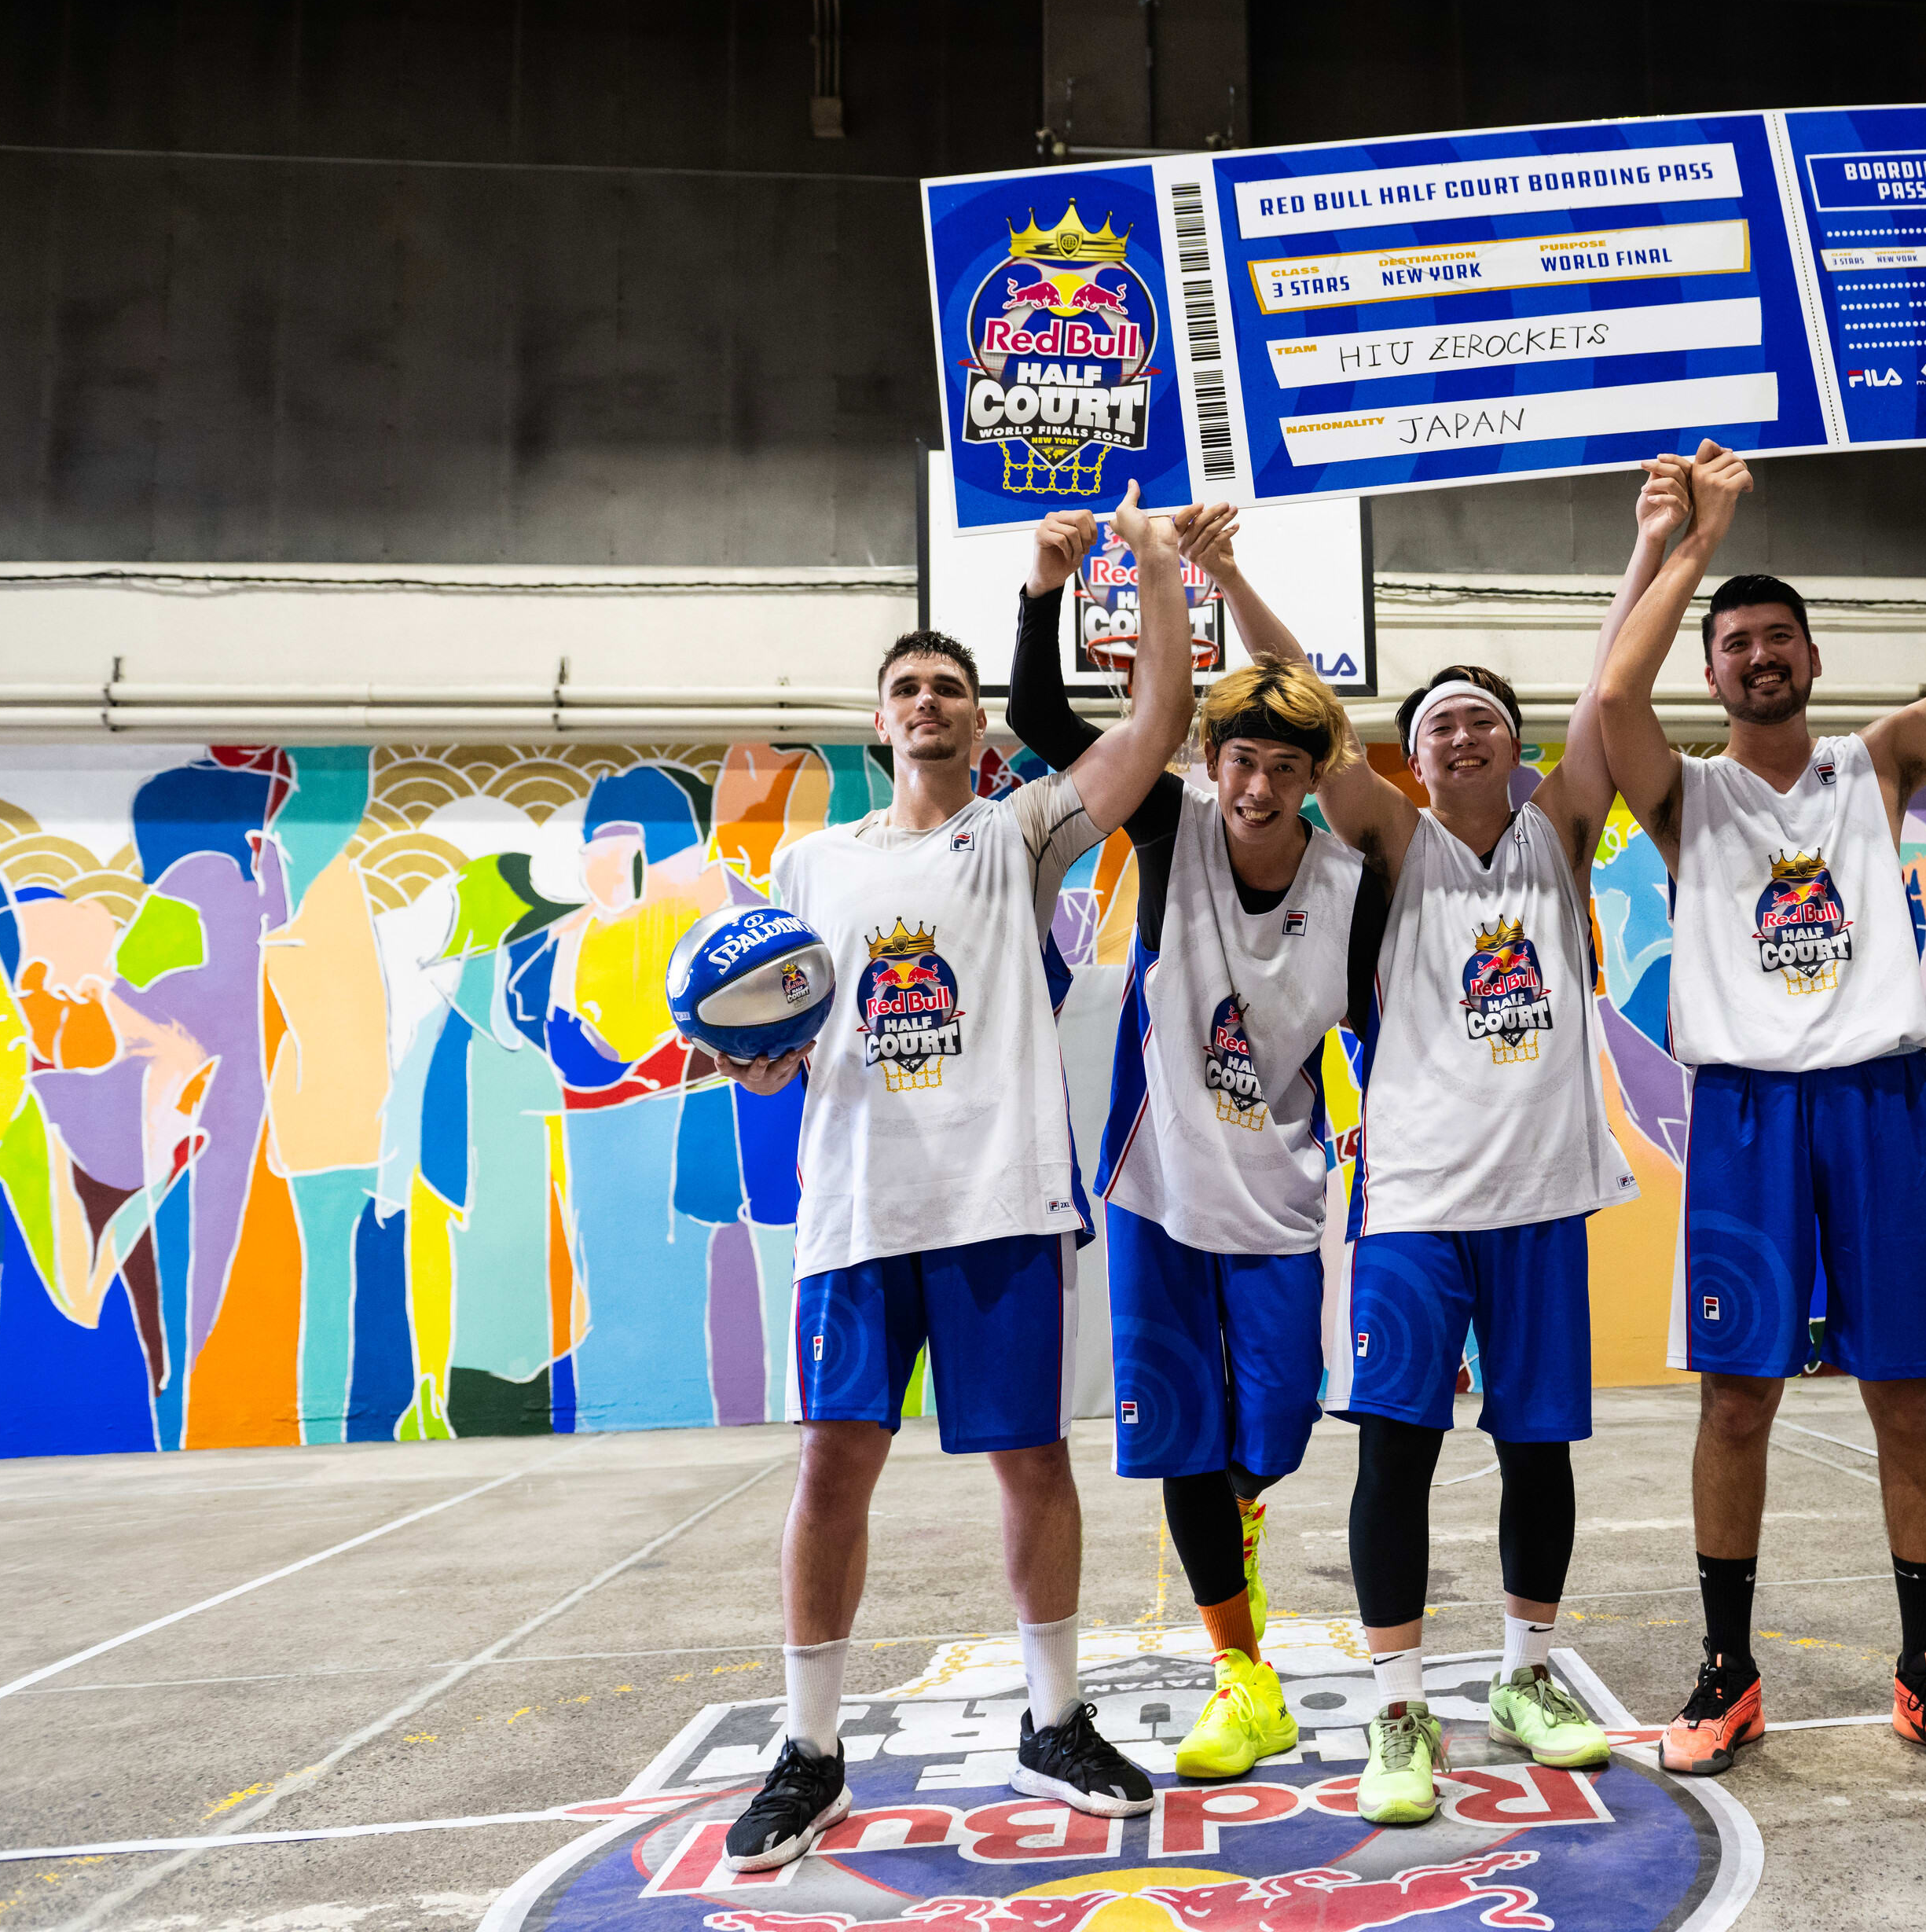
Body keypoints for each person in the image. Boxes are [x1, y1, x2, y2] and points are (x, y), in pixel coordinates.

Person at [1179, 467, 1685, 1827]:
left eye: (1484, 722)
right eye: (1440, 724)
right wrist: (1224, 580)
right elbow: (1300, 698)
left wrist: (1649, 545)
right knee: (1394, 1449)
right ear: (1408, 755)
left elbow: (1606, 692)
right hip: (1412, 1201)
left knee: (1540, 1450)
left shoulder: (1560, 834)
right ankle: (1398, 1708)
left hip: (1541, 1200)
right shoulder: (1391, 840)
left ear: (1515, 749)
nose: (1463, 736)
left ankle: (1525, 1672)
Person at [709, 483, 1195, 1871]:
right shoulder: (805, 868)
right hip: (860, 1208)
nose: (928, 702)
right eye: (906, 687)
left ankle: (1054, 1718)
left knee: (1032, 1462)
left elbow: (1155, 727)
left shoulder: (1019, 831)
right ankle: (808, 1750)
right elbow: (771, 1035)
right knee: (830, 1469)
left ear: (979, 722)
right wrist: (757, 1064)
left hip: (1000, 1200)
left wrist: (1150, 568)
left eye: (950, 687)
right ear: (878, 722)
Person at [1598, 395, 1926, 1783]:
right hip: (1748, 1115)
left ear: (1814, 656)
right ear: (1715, 671)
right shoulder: (1684, 795)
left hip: (1877, 1108)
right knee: (1736, 1403)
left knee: (1906, 1402)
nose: (1757, 658)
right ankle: (1725, 1670)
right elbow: (1611, 700)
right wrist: (1692, 542)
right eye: (1732, 646)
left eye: (1774, 639)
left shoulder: (1878, 761)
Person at [1001, 504, 1385, 1783]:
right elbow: (1052, 731)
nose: (1255, 783)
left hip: (1278, 1187)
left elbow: (1389, 1022)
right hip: (1160, 1183)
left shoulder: (1349, 884)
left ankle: (1245, 1532)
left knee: (1266, 1435)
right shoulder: (1170, 836)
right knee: (1182, 1433)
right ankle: (1245, 1674)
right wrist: (1058, 591)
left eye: (1281, 764)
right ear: (1213, 762)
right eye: (1238, 759)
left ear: (1308, 773)